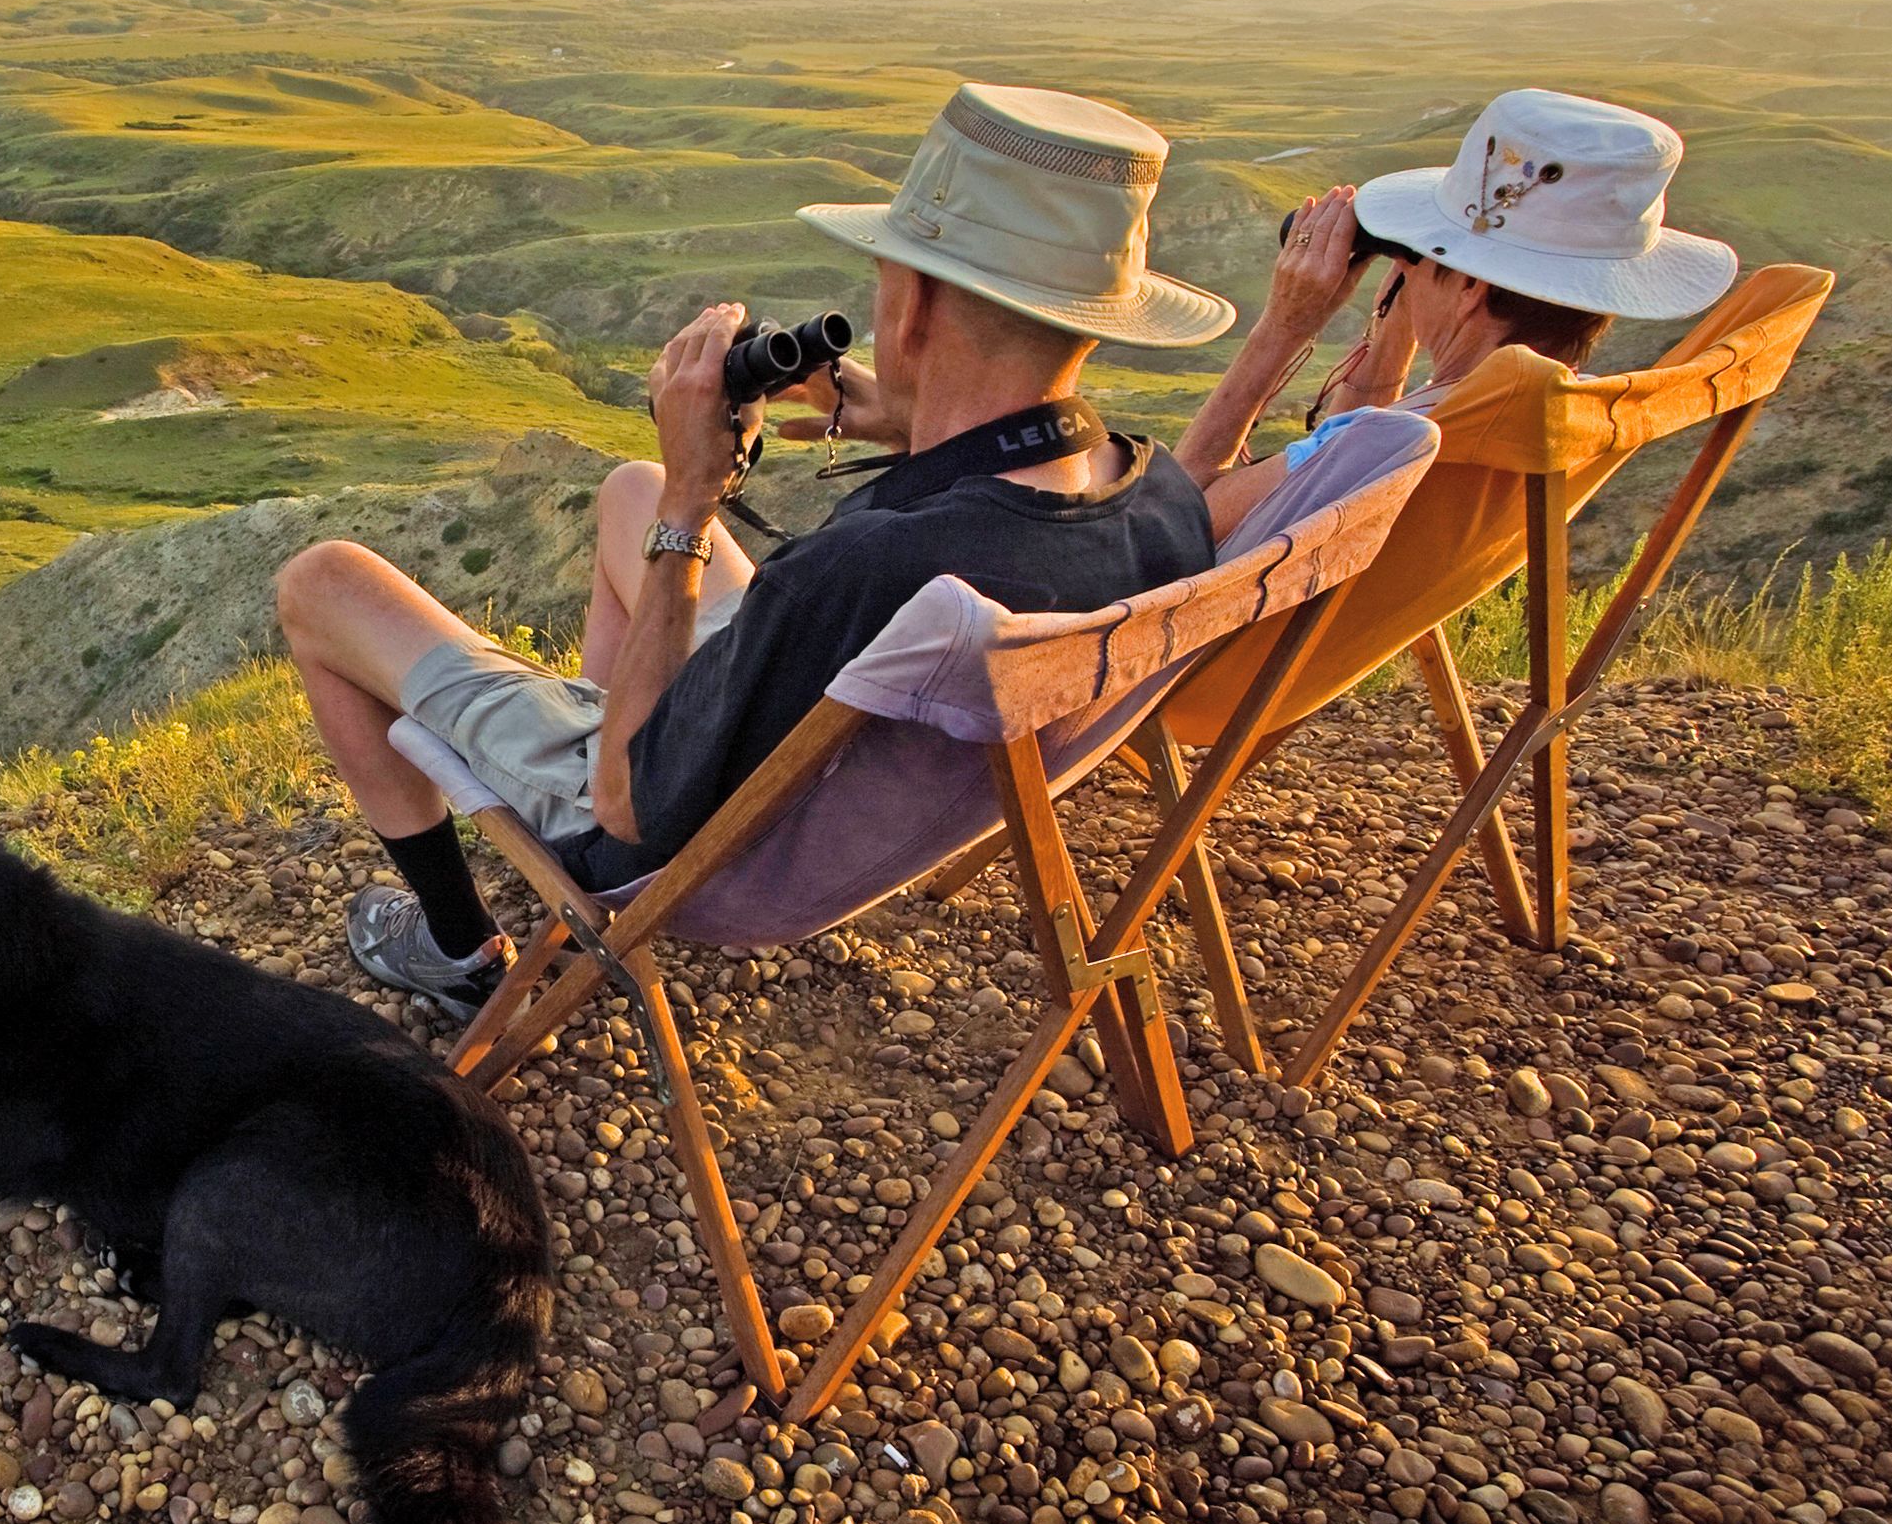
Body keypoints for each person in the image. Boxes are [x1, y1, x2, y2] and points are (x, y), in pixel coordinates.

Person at [276, 82, 1231, 1020]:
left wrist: (692, 501)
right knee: (628, 490)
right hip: (833, 765)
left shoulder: (870, 569)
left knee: (324, 581)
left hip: (684, 841)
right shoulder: (1156, 496)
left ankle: (450, 946)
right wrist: (910, 422)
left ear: (915, 308)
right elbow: (986, 516)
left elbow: (629, 808)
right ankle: (618, 705)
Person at [1177, 88, 1740, 537]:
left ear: (1469, 285)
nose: (1408, 268)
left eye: (1416, 257)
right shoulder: (1563, 413)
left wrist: (1284, 325)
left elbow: (1174, 516)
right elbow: (1332, 469)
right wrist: (1397, 327)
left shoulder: (1387, 442)